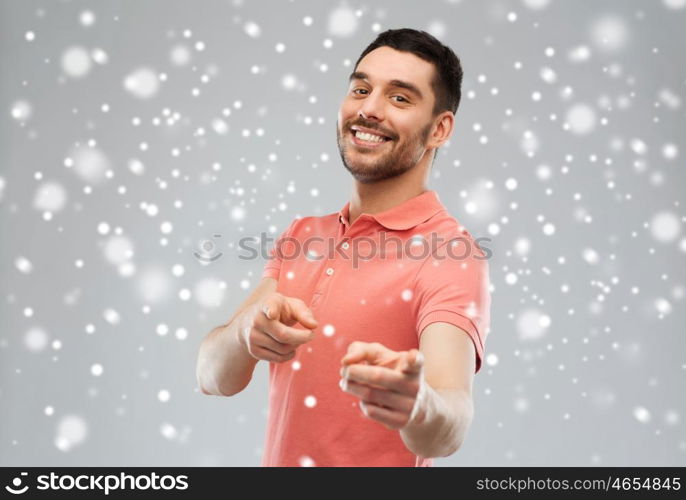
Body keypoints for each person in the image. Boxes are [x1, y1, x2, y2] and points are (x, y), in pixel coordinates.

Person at [196, 28, 491, 467]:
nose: (369, 109)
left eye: (400, 98)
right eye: (361, 88)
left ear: (439, 129)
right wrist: (246, 334)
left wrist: (417, 404)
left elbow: (451, 423)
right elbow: (211, 376)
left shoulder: (450, 254)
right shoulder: (302, 235)